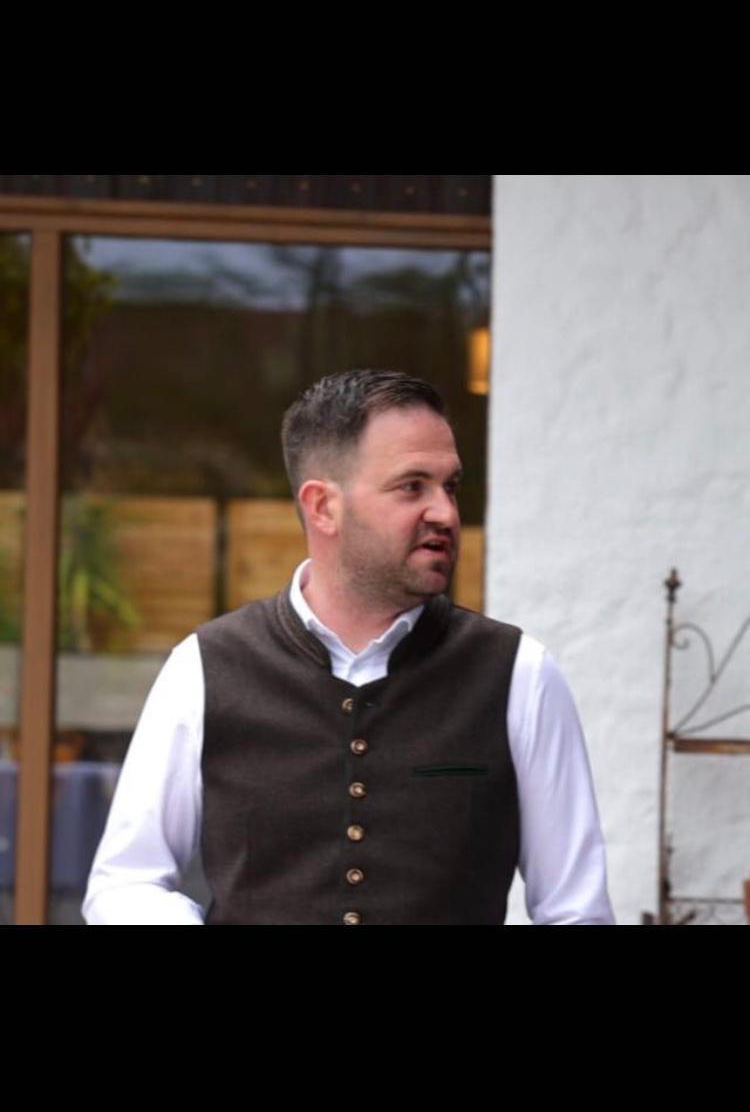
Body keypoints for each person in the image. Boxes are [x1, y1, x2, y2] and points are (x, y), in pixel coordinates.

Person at [83, 368, 614, 925]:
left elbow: (576, 912)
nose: (446, 513)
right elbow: (127, 883)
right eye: (412, 486)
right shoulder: (205, 667)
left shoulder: (519, 674)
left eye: (450, 487)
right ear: (323, 506)